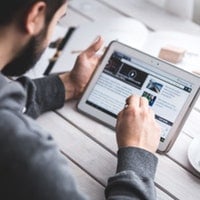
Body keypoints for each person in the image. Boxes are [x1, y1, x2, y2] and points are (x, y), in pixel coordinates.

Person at [0, 0, 161, 199]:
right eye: (58, 20)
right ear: (35, 15)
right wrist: (138, 155)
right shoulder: (25, 152)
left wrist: (68, 85)